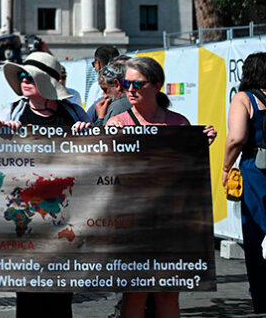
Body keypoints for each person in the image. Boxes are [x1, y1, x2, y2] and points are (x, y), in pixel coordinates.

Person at [106, 56, 214, 318]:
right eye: (125, 83)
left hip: (171, 221)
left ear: (157, 86)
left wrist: (200, 145)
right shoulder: (118, 123)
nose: (129, 89)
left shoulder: (178, 123)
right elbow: (110, 174)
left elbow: (187, 172)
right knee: (136, 292)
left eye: (137, 84)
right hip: (133, 221)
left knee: (168, 293)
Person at [0, 51, 86, 318]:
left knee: (61, 293)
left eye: (30, 76)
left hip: (63, 216)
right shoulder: (13, 111)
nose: (24, 80)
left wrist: (87, 132)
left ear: (47, 82)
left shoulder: (73, 113)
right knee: (27, 292)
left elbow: (94, 159)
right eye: (22, 76)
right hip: (25, 216)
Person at [221, 52, 266, 314]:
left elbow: (236, 138)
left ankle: (261, 300)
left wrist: (227, 167)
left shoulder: (244, 98)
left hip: (256, 170)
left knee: (256, 235)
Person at [87, 58, 128, 125]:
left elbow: (103, 135)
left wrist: (101, 118)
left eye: (105, 90)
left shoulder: (117, 107)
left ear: (117, 84)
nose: (105, 96)